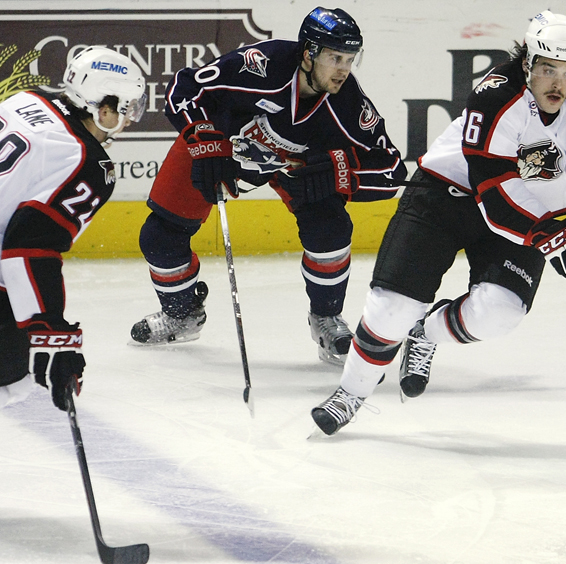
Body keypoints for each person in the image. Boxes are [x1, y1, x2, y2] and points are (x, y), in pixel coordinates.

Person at [310, 10, 566, 435]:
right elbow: (495, 192)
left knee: (499, 313)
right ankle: (351, 393)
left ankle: (426, 333)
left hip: (524, 213)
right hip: (446, 198)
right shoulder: (495, 94)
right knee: (393, 309)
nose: (558, 83)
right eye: (548, 69)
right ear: (528, 63)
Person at [129, 6, 407, 366]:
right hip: (220, 147)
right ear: (308, 54)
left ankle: (326, 319)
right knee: (160, 236)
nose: (343, 69)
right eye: (334, 58)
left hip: (292, 166)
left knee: (331, 228)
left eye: (350, 59)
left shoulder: (348, 104)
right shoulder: (261, 65)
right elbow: (186, 86)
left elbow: (392, 169)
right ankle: (181, 314)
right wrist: (204, 140)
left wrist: (338, 171)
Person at [0, 47, 146, 409]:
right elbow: (28, 248)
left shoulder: (26, 99)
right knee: (12, 378)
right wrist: (51, 332)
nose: (130, 119)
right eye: (127, 108)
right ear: (105, 109)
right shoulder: (87, 162)